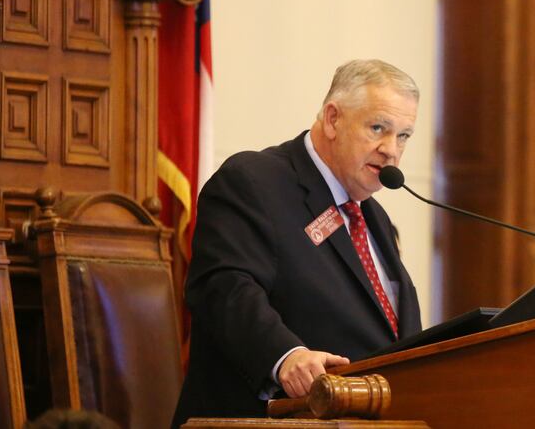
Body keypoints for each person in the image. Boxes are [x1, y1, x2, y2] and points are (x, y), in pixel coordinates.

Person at [171, 59, 423, 426]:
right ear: (333, 118)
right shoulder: (254, 182)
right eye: (378, 128)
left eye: (403, 136)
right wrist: (286, 355)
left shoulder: (374, 218)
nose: (391, 150)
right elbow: (223, 287)